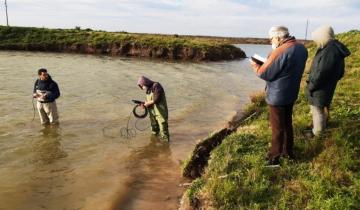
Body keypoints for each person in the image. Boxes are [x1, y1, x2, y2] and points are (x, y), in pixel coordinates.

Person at [250, 26, 308, 166]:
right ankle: (288, 152)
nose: (271, 41)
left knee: (278, 127)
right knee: (287, 123)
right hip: (291, 92)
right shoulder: (301, 48)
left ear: (277, 37)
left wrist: (255, 66)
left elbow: (265, 73)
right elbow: (285, 68)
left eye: (271, 38)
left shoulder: (280, 50)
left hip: (278, 95)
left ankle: (274, 158)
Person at [305, 26, 350, 136]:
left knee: (318, 112)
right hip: (325, 86)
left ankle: (318, 134)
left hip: (320, 87)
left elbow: (322, 72)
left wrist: (311, 86)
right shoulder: (331, 48)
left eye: (317, 39)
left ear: (323, 37)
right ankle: (318, 130)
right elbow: (339, 72)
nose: (316, 42)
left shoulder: (329, 51)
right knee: (320, 110)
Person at [137, 76, 170, 142]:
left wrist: (147, 103)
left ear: (145, 82)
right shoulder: (148, 90)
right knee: (154, 129)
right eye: (141, 86)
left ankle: (166, 145)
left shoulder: (156, 86)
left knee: (163, 128)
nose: (142, 88)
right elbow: (149, 102)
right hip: (152, 112)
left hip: (161, 111)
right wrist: (144, 105)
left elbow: (156, 100)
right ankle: (154, 144)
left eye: (142, 85)